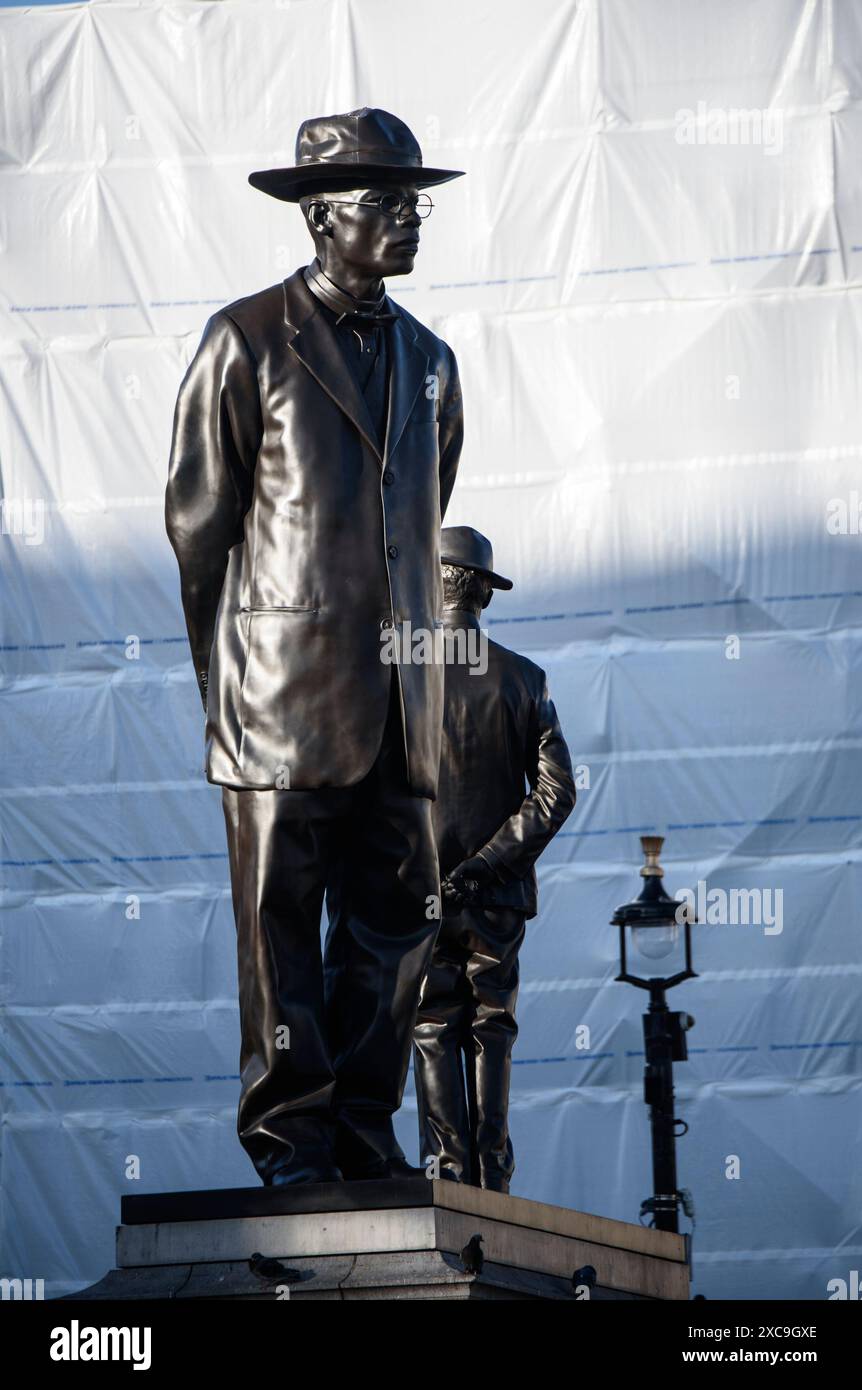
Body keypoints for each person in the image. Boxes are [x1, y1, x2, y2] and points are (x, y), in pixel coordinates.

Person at [165, 109, 464, 1185]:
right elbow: (200, 525)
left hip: (398, 703)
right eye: (384, 201)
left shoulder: (432, 360)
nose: (408, 220)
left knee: (394, 932)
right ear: (320, 215)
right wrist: (228, 683)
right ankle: (292, 1135)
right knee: (279, 929)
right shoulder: (244, 338)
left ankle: (363, 1126)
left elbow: (418, 521)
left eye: (413, 200)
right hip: (277, 698)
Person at [414, 526, 576, 1192]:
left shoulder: (399, 674)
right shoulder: (524, 678)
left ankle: (446, 1174)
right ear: (481, 590)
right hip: (496, 893)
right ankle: (492, 1176)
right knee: (492, 1023)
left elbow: (367, 788)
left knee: (430, 1025)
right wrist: (487, 863)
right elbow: (555, 794)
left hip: (418, 893)